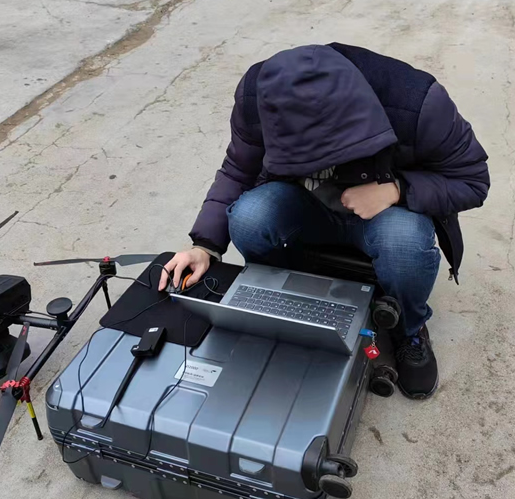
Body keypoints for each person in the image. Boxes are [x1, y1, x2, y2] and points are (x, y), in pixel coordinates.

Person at [158, 43, 489, 399]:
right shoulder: (260, 96)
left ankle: (408, 330)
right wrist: (204, 245)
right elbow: (239, 169)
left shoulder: (416, 102)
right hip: (306, 208)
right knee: (249, 217)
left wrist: (396, 190)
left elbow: (472, 180)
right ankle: (290, 299)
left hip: (385, 214)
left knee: (404, 241)